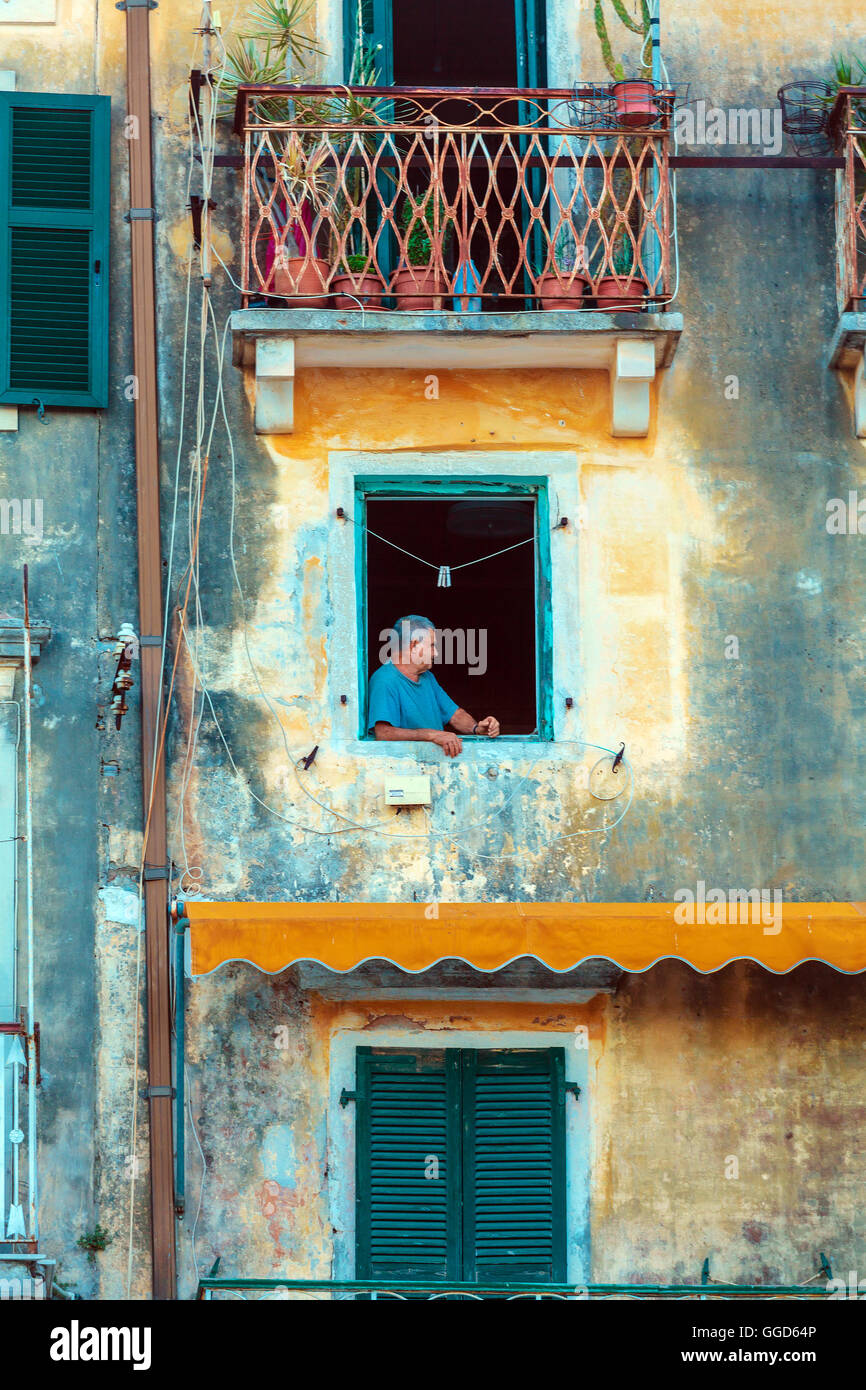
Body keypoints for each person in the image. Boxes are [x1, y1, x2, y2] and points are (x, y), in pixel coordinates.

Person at [368, 614, 500, 758]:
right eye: (432, 646)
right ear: (414, 646)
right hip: (406, 771)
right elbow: (384, 733)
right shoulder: (385, 680)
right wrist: (431, 735)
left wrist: (477, 728)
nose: (436, 653)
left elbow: (454, 714)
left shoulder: (427, 677)